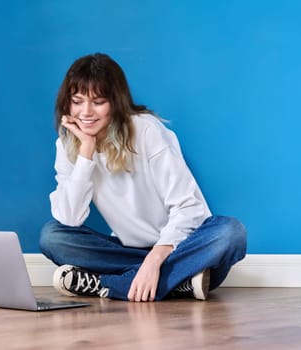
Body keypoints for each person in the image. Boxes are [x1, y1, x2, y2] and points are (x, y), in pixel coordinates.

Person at [39, 53, 246, 302]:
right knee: (52, 236)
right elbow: (70, 218)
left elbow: (190, 208)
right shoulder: (67, 144)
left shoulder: (146, 130)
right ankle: (179, 282)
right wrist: (86, 152)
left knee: (230, 233)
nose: (86, 112)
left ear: (115, 102)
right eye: (77, 101)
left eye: (98, 102)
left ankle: (107, 285)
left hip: (181, 246)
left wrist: (155, 260)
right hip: (127, 251)